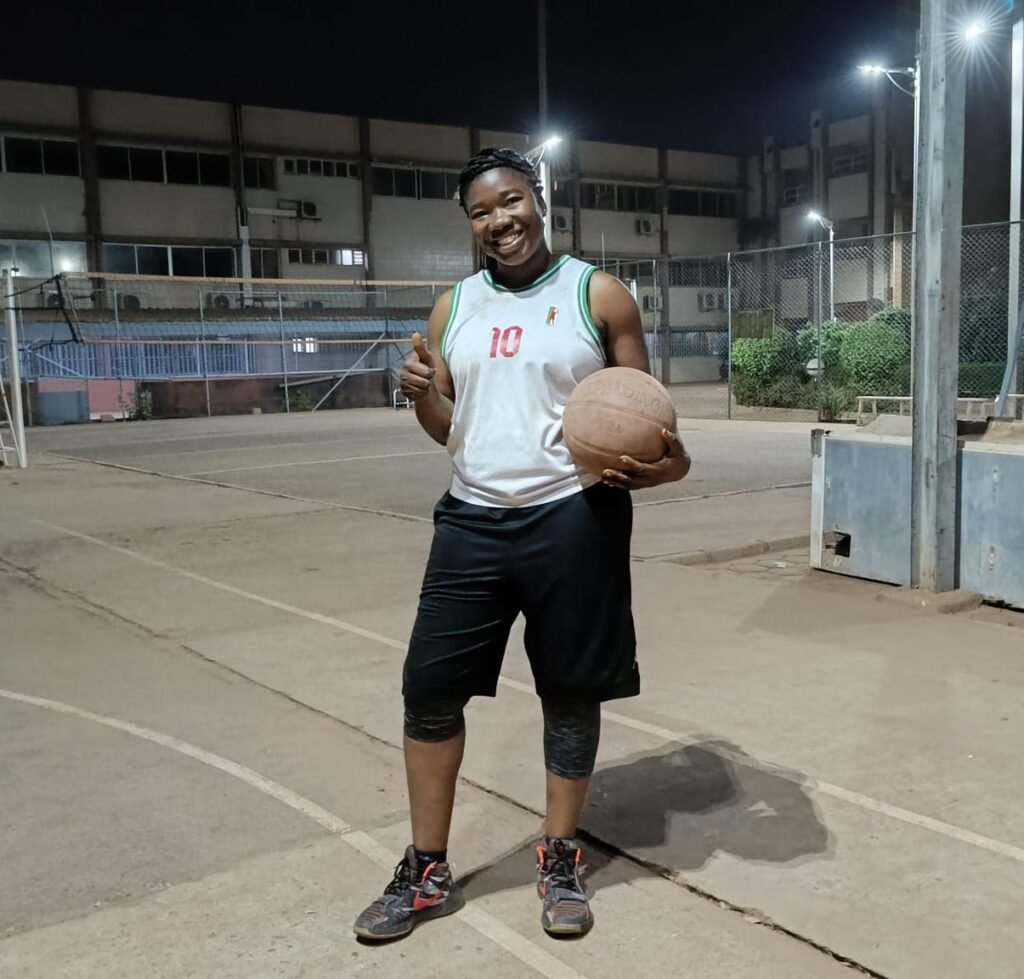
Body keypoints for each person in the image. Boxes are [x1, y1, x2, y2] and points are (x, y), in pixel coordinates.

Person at [353, 147, 690, 943]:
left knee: (570, 691)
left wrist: (666, 464)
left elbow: (649, 421)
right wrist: (420, 395)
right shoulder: (451, 307)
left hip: (574, 517)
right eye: (480, 211)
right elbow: (450, 430)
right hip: (472, 518)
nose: (499, 221)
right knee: (428, 689)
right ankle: (427, 867)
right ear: (468, 223)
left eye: (510, 202)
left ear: (537, 200)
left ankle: (561, 854)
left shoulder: (597, 294)